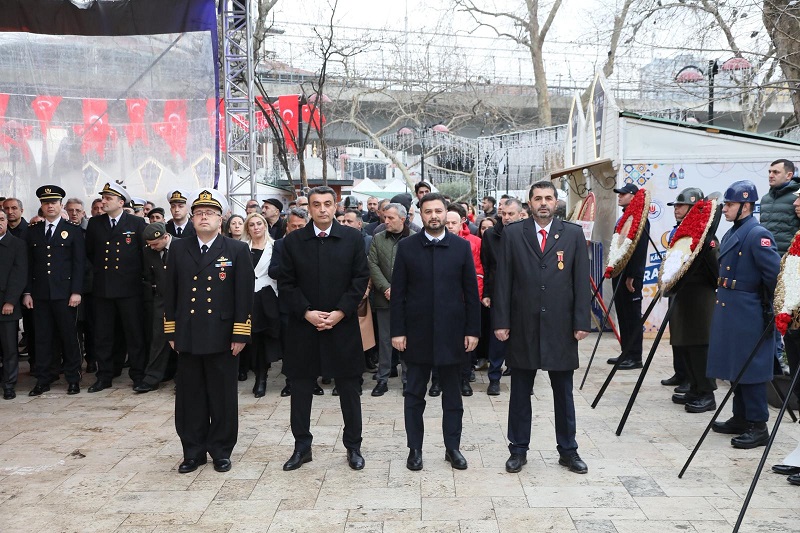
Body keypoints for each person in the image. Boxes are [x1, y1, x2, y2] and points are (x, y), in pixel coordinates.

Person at [493, 180, 591, 475]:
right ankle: (518, 449)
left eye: (548, 198)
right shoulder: (512, 234)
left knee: (564, 392)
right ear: (529, 203)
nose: (543, 203)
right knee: (520, 391)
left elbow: (580, 281)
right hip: (523, 326)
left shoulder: (572, 234)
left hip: (561, 327)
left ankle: (568, 450)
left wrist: (581, 321)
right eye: (538, 198)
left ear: (557, 202)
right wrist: (501, 321)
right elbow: (503, 282)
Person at [278, 186, 369, 471]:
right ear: (309, 208)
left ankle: (353, 447)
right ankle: (302, 448)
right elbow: (286, 283)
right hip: (304, 328)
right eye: (316, 204)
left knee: (349, 391)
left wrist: (341, 312)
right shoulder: (293, 242)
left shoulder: (353, 239)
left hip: (342, 327)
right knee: (301, 391)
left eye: (327, 204)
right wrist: (307, 313)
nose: (322, 209)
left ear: (336, 205)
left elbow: (360, 279)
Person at [164, 189, 254, 474]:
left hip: (223, 335)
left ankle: (221, 450)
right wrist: (171, 330)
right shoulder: (179, 248)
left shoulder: (236, 250)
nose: (204, 217)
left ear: (222, 219)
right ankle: (192, 451)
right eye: (199, 213)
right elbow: (170, 292)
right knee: (190, 397)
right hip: (188, 334)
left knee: (223, 397)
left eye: (210, 214)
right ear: (192, 218)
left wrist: (240, 334)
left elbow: (244, 295)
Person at [390, 192, 480, 471]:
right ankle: (414, 449)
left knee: (453, 397)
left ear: (446, 213)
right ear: (419, 214)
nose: (433, 216)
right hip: (416, 334)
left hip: (453, 334)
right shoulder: (407, 247)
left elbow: (470, 293)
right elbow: (399, 293)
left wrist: (473, 330)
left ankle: (452, 448)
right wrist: (398, 331)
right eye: (428, 211)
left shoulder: (460, 247)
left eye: (438, 211)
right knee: (414, 395)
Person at [708, 180, 781, 449]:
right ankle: (740, 417)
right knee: (735, 365)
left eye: (730, 204)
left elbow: (774, 276)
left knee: (751, 369)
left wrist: (772, 310)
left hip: (749, 310)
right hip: (731, 306)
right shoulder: (735, 231)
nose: (725, 209)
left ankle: (758, 425)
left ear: (746, 206)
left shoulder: (757, 234)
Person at [85, 182, 147, 392]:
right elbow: (91, 253)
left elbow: (143, 255)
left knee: (134, 333)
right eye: (103, 197)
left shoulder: (136, 224)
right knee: (103, 335)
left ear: (121, 202)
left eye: (108, 198)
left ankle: (138, 375)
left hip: (130, 289)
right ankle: (104, 376)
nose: (104, 201)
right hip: (103, 288)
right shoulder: (95, 223)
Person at [23, 185, 86, 396]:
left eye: (54, 202)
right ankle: (44, 378)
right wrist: (28, 292)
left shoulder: (73, 230)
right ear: (41, 206)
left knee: (69, 336)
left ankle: (72, 378)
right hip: (40, 294)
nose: (50, 206)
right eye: (45, 202)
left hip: (65, 294)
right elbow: (29, 265)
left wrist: (76, 291)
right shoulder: (32, 232)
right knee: (42, 337)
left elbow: (79, 264)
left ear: (61, 205)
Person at [664, 188, 719, 413]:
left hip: (700, 300)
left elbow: (715, 273)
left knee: (699, 347)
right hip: (684, 297)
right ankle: (694, 386)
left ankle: (706, 392)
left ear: (693, 207)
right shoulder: (683, 234)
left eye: (681, 205)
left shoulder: (707, 238)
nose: (676, 209)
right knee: (685, 344)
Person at [368, 203, 414, 396]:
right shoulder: (378, 239)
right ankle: (383, 379)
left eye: (390, 218)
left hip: (409, 300)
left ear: (402, 219)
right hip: (384, 298)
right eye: (384, 217)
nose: (385, 221)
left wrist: (401, 290)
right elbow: (372, 264)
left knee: (408, 340)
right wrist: (386, 288)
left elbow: (418, 267)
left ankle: (408, 380)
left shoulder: (414, 239)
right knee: (385, 340)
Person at [481, 198, 524, 395]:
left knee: (522, 337)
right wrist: (488, 293)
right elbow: (487, 266)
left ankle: (522, 378)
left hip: (523, 292)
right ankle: (494, 378)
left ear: (520, 214)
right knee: (497, 336)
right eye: (503, 214)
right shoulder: (491, 235)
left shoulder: (527, 233)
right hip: (499, 292)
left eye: (510, 214)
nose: (506, 218)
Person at [268, 207, 310, 397]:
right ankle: (290, 381)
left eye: (301, 226)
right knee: (289, 346)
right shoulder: (280, 245)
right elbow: (273, 271)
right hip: (288, 304)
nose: (297, 229)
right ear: (287, 227)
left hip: (311, 303)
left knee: (310, 345)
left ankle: (312, 380)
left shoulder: (314, 243)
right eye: (293, 226)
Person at [607, 183, 649, 370]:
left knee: (632, 317)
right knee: (623, 315)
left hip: (630, 276)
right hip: (620, 272)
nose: (620, 196)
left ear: (633, 196)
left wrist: (633, 275)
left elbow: (639, 249)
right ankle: (626, 352)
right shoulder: (625, 217)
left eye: (623, 194)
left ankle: (635, 357)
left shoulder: (640, 218)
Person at [444, 203, 483, 396]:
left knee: (467, 341)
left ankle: (465, 379)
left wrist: (475, 297)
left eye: (454, 222)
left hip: (466, 301)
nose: (450, 226)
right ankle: (438, 380)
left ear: (462, 223)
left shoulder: (474, 242)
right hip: (444, 302)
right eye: (447, 222)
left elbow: (478, 273)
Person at [243, 213, 281, 398]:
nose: (256, 227)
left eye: (259, 223)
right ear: (247, 229)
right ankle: (259, 376)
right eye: (252, 225)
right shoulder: (242, 248)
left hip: (269, 297)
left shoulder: (275, 247)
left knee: (269, 338)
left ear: (265, 226)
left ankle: (265, 376)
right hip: (249, 298)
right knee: (254, 339)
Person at [136, 222, 177, 393]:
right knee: (158, 340)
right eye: (149, 245)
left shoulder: (182, 246)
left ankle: (183, 379)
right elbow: (148, 275)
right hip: (161, 300)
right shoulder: (148, 251)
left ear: (165, 237)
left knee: (183, 341)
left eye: (155, 244)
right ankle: (152, 378)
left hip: (183, 301)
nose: (152, 248)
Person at [0, 209, 27, 399]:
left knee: (9, 348)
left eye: (1, 219)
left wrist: (10, 301)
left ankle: (9, 384)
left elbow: (19, 275)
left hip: (6, 305)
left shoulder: (17, 244)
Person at [761, 159, 800, 256]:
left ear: (789, 175)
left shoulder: (797, 198)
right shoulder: (765, 199)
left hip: (789, 259)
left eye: (776, 172)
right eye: (769, 172)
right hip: (765, 256)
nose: (770, 175)